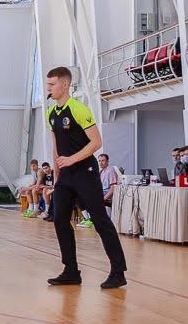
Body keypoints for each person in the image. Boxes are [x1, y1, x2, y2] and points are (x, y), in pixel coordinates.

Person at [44, 66, 127, 289]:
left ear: (65, 85)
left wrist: (72, 160)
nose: (48, 88)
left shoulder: (79, 109)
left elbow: (96, 142)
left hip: (85, 173)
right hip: (66, 176)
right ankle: (71, 270)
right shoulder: (51, 113)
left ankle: (118, 271)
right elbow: (56, 147)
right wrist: (57, 174)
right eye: (48, 84)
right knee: (60, 220)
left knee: (100, 220)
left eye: (52, 84)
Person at [98, 154, 118, 218]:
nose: (101, 163)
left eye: (103, 160)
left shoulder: (110, 170)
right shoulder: (101, 172)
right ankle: (89, 218)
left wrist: (102, 199)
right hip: (103, 194)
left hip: (109, 196)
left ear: (107, 161)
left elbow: (113, 189)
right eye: (99, 161)